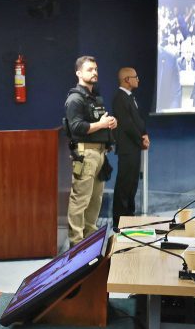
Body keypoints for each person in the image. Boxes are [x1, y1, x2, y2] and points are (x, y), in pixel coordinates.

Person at [64, 56, 117, 245]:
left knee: (95, 201)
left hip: (100, 154)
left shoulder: (95, 98)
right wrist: (100, 124)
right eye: (89, 69)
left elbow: (97, 123)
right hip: (85, 155)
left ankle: (90, 242)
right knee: (80, 201)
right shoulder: (75, 99)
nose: (94, 72)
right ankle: (76, 244)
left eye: (95, 69)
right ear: (79, 73)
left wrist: (109, 123)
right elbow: (77, 127)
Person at [111, 67, 149, 229]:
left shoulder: (129, 97)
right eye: (135, 77)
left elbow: (137, 121)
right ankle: (120, 222)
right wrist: (141, 140)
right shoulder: (120, 98)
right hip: (127, 148)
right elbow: (127, 125)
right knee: (124, 185)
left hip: (134, 147)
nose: (138, 79)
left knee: (132, 184)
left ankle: (129, 218)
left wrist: (144, 134)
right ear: (127, 79)